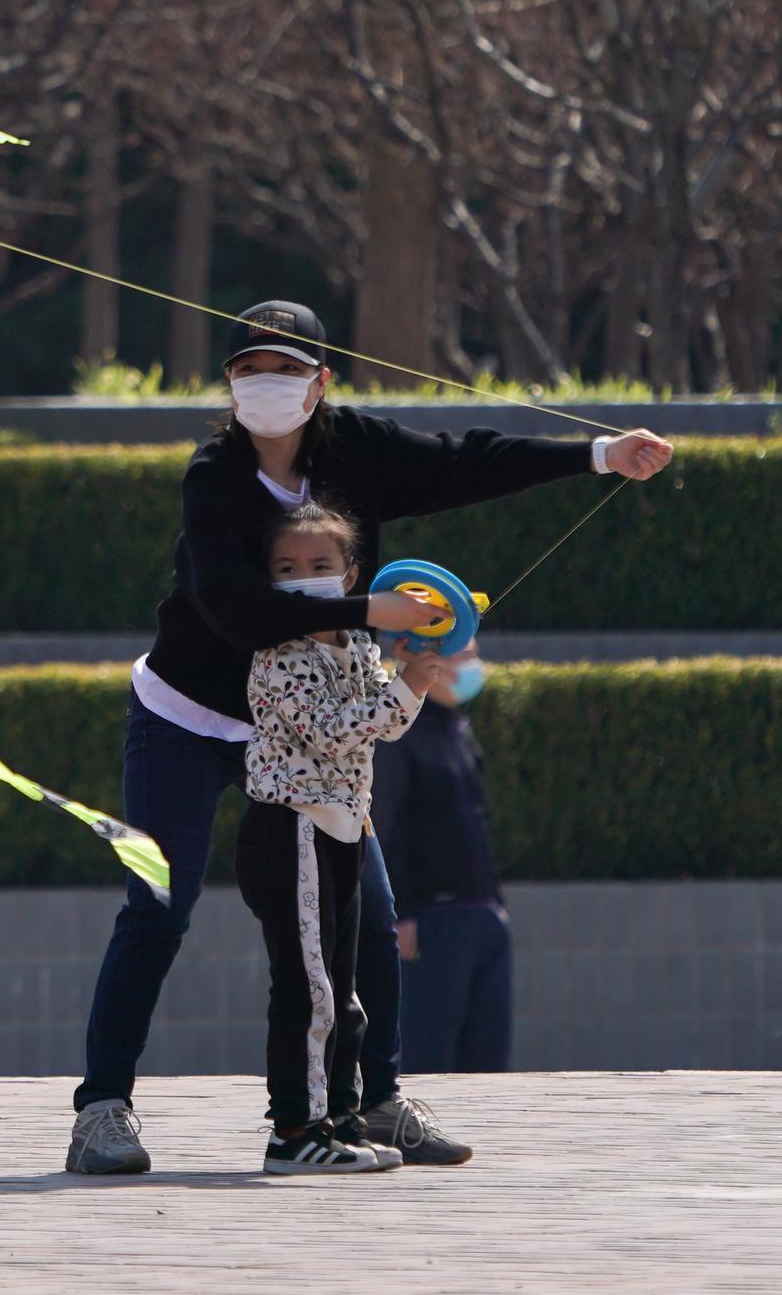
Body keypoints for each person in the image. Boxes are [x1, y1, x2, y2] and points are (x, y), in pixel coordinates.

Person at [65, 300, 673, 1175]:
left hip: (312, 734)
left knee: (372, 913)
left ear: (321, 380)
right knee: (161, 906)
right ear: (230, 386)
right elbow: (232, 608)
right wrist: (368, 611)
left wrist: (597, 454)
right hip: (188, 720)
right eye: (248, 370)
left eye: (284, 369)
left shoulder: (358, 451)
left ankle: (376, 1099)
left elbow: (469, 460)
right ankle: (103, 1109)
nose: (265, 385)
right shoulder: (215, 478)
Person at [238, 501, 442, 1173]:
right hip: (290, 825)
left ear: (353, 575)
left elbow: (379, 716)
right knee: (308, 988)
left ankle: (341, 1117)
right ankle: (293, 1131)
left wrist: (407, 671)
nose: (306, 576)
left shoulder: (358, 644)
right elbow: (334, 729)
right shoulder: (277, 653)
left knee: (343, 985)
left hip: (344, 828)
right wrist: (406, 689)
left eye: (321, 564)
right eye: (288, 567)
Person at [373, 641, 513, 1074]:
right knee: (428, 1051)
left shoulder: (457, 729)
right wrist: (401, 913)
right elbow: (385, 826)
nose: (472, 666)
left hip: (483, 912)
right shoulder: (399, 733)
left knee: (488, 1052)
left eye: (473, 654)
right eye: (461, 656)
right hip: (431, 918)